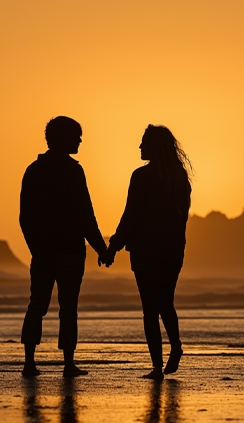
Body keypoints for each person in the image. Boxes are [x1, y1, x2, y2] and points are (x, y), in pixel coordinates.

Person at [19, 116, 113, 377]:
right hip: (70, 251)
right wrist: (101, 249)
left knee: (36, 304)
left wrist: (35, 247)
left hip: (43, 251)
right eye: (76, 136)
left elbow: (24, 217)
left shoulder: (33, 170)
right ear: (64, 138)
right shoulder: (73, 171)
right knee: (68, 307)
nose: (80, 141)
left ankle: (29, 362)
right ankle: (68, 364)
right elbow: (85, 215)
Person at [106, 125, 192, 379]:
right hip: (173, 250)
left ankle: (156, 367)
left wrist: (113, 246)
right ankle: (175, 344)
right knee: (166, 301)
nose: (140, 147)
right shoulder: (180, 178)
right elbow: (183, 218)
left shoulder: (141, 177)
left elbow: (130, 215)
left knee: (149, 309)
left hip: (145, 250)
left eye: (144, 143)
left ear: (154, 146)